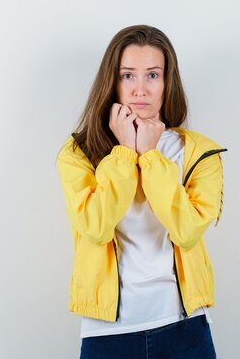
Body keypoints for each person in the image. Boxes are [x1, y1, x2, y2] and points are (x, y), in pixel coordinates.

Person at [55, 25, 228, 359]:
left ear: (167, 83)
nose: (140, 90)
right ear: (113, 82)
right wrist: (123, 153)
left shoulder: (197, 153)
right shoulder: (79, 153)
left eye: (152, 75)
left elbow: (187, 230)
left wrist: (150, 157)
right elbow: (94, 226)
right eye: (128, 75)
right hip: (108, 332)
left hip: (184, 328)